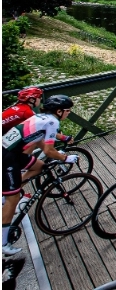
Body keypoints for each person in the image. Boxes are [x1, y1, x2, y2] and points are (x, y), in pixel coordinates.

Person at [2, 95, 77, 256]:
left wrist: (57, 152)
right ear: (59, 111)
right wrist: (65, 158)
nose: (69, 113)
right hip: (7, 156)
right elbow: (49, 151)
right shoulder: (53, 122)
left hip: (12, 152)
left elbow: (40, 141)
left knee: (39, 166)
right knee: (12, 200)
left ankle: (12, 190)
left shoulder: (40, 117)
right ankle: (3, 243)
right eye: (68, 110)